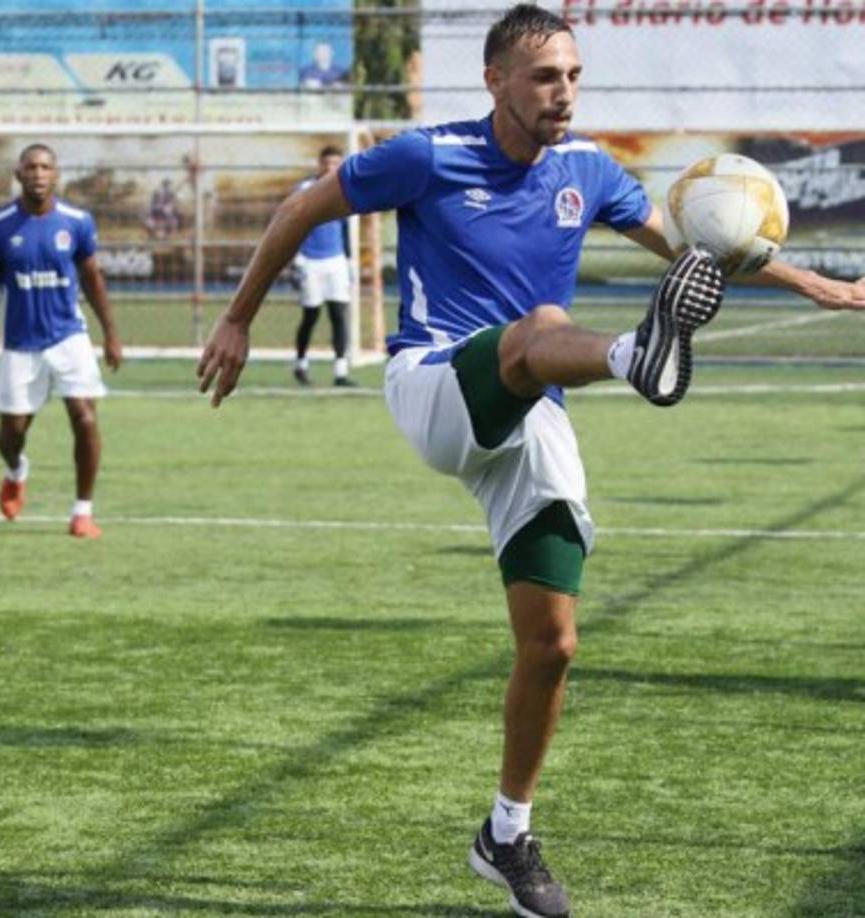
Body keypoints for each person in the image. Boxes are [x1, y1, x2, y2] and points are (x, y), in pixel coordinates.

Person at [197, 6, 865, 916]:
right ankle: (637, 357)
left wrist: (816, 283)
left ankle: (506, 832)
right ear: (496, 81)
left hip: (532, 411)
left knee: (553, 642)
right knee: (541, 329)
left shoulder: (588, 170)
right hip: (435, 379)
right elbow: (299, 208)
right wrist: (237, 317)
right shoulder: (426, 156)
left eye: (575, 76)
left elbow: (700, 246)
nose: (565, 93)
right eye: (546, 76)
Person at [0, 143, 123, 540]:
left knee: (85, 416)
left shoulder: (77, 222)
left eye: (45, 167)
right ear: (19, 175)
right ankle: (16, 471)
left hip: (68, 337)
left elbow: (92, 279)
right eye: (30, 167)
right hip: (21, 345)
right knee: (11, 433)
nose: (38, 173)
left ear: (56, 175)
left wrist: (110, 334)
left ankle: (82, 512)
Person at [290, 145, 356, 387]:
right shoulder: (305, 189)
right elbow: (292, 225)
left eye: (335, 164)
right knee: (311, 315)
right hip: (310, 261)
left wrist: (349, 263)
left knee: (339, 314)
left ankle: (340, 372)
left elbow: (347, 230)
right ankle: (301, 364)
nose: (331, 168)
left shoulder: (347, 190)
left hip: (336, 261)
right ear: (320, 164)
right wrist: (297, 259)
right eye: (327, 163)